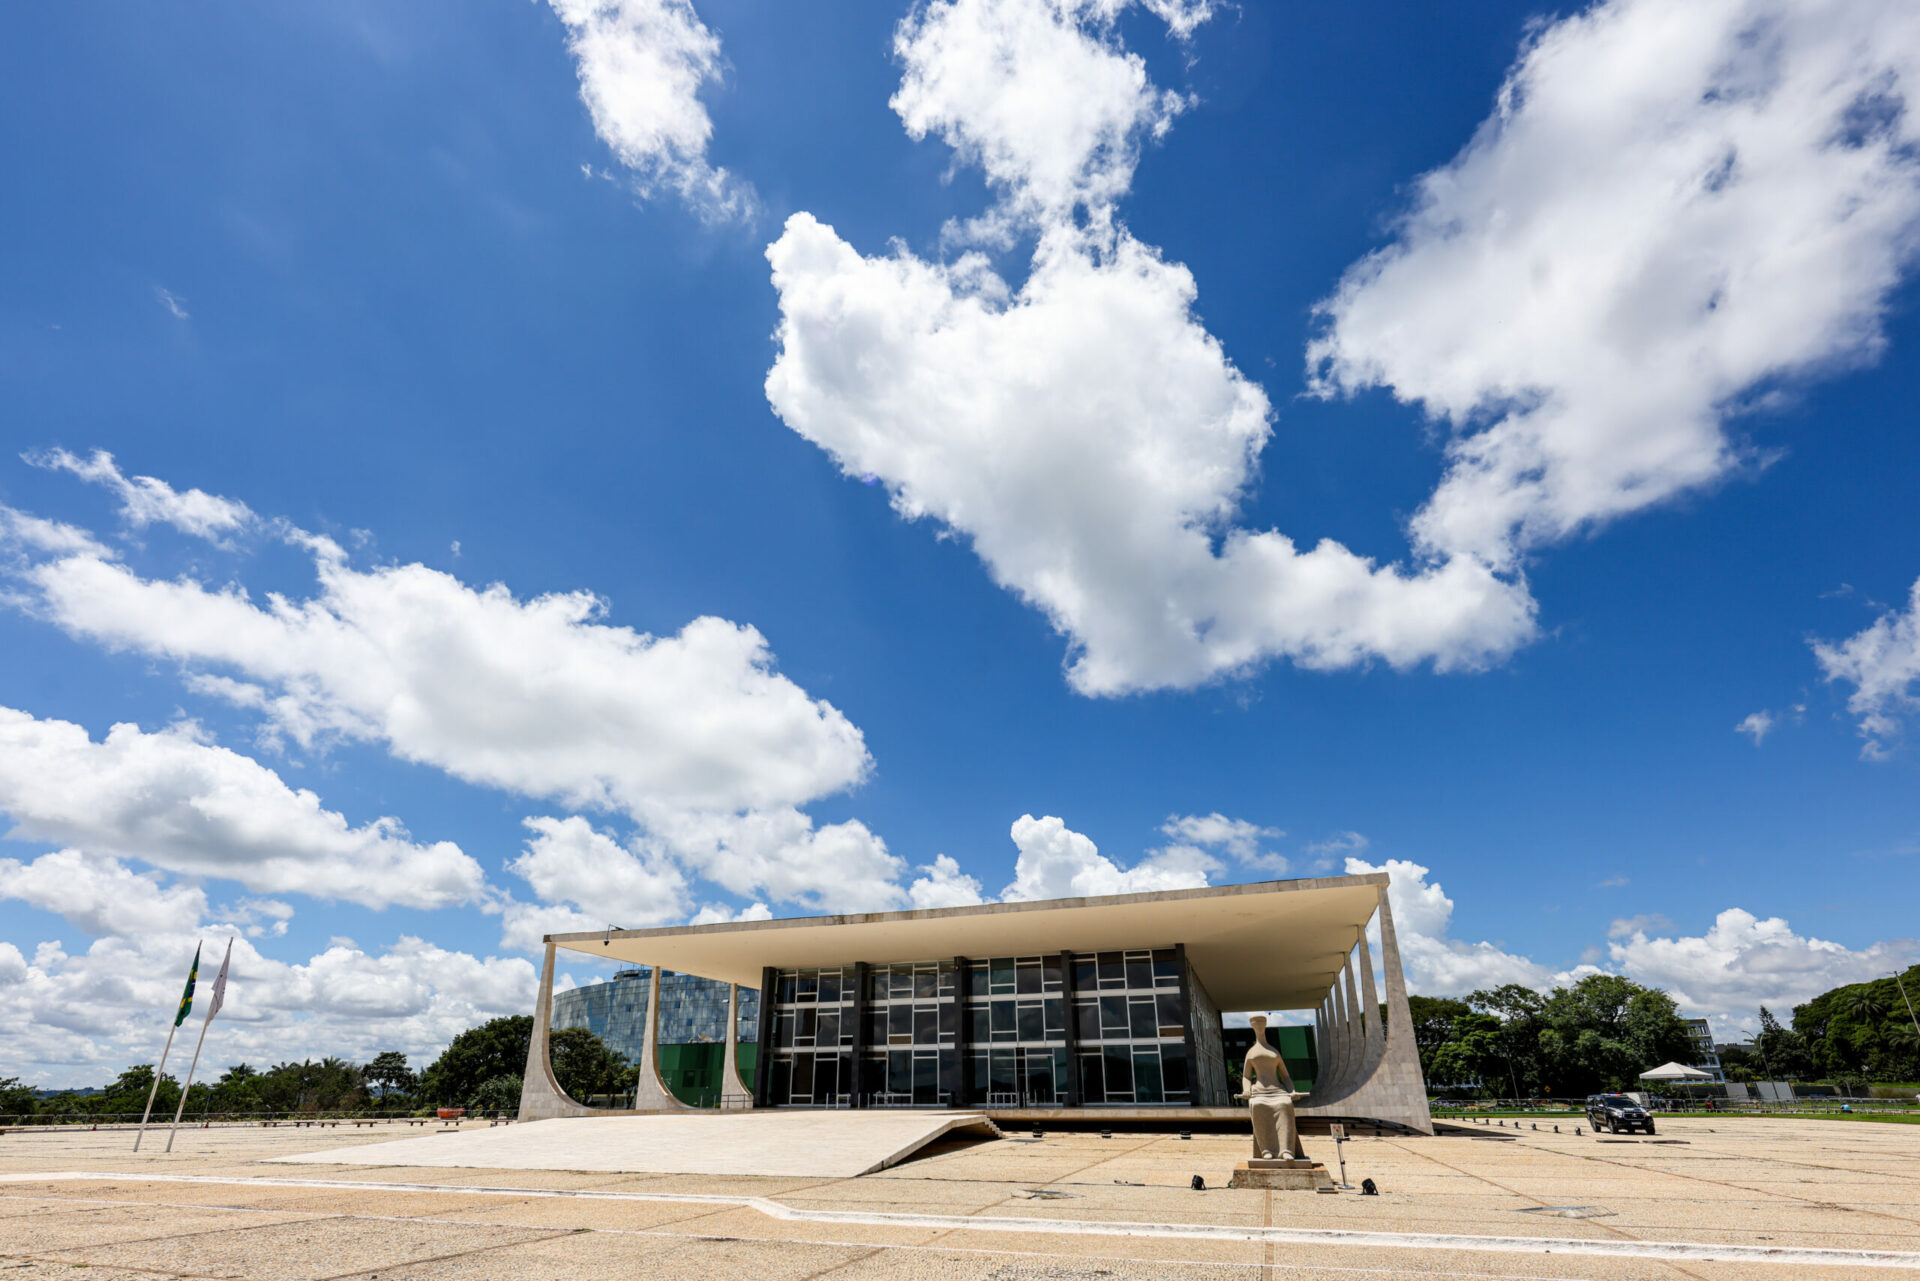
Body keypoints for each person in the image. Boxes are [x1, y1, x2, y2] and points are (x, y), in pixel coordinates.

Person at [1237, 1014, 1300, 1160]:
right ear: (1253, 1026)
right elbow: (1246, 1076)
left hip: (1277, 1090)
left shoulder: (1274, 1052)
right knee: (1257, 1106)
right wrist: (1246, 1090)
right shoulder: (1251, 1052)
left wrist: (1292, 1090)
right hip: (1259, 1092)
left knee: (1285, 1104)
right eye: (1256, 1024)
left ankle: (1286, 1150)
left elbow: (1285, 1076)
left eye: (1261, 1024)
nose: (1259, 1026)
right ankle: (1266, 1150)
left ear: (1265, 1026)